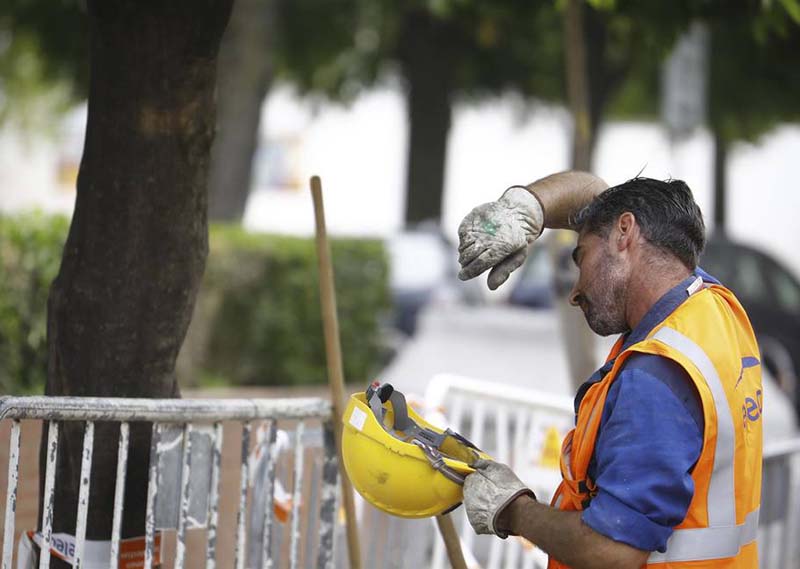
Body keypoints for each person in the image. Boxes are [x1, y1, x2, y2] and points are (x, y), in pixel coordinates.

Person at [457, 171, 763, 569]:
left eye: (580, 256)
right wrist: (525, 209)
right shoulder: (710, 308)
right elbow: (596, 194)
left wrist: (511, 510)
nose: (574, 292)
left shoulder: (656, 374)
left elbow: (611, 552)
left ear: (624, 233)